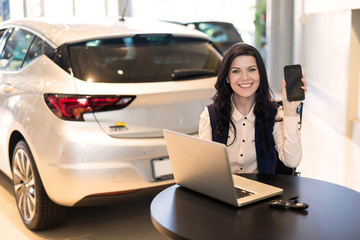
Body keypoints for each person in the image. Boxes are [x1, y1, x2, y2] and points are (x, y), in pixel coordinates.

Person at [199, 43, 306, 174]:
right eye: (236, 71)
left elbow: (292, 161)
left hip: (263, 191)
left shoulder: (274, 113)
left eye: (251, 69)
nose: (245, 78)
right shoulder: (210, 115)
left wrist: (290, 111)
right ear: (227, 77)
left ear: (260, 74)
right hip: (222, 192)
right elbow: (205, 169)